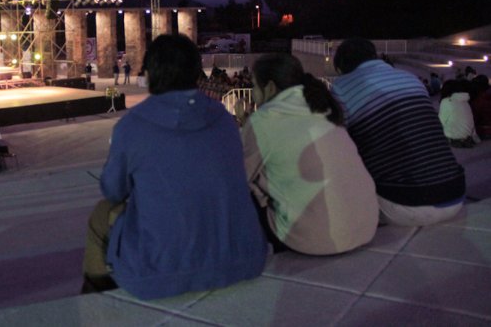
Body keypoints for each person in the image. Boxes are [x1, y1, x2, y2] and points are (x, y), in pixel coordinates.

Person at [82, 34, 267, 299]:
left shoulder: (132, 126)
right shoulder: (225, 120)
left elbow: (112, 191)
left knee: (101, 214)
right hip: (243, 261)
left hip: (158, 273)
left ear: (151, 73)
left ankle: (95, 302)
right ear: (196, 71)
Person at [242, 53, 378, 255]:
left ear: (269, 87)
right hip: (365, 228)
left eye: (254, 86)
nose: (253, 92)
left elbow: (237, 176)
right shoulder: (322, 108)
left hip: (315, 240)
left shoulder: (264, 119)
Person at [331, 38, 465, 227]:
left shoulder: (341, 88)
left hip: (406, 204)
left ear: (342, 65)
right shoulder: (410, 78)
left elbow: (338, 146)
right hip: (455, 193)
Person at [438, 80, 480, 147]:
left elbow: (441, 122)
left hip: (454, 137)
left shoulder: (446, 101)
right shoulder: (465, 101)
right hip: (469, 137)